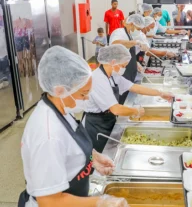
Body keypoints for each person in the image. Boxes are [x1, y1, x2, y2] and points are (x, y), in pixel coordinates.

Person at [19, 46, 129, 207]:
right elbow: (49, 201)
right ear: (60, 90)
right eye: (83, 94)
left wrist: (92, 159)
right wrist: (102, 202)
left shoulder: (59, 108)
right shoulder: (48, 135)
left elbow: (69, 145)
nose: (86, 99)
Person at [83, 45, 173, 153]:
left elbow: (134, 87)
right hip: (97, 125)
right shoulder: (98, 79)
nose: (123, 69)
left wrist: (160, 93)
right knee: (100, 154)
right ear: (113, 62)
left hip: (108, 119)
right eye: (122, 65)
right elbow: (116, 109)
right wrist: (135, 111)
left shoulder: (112, 75)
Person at [109, 14, 149, 103]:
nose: (139, 31)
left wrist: (135, 62)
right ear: (131, 24)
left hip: (130, 73)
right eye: (138, 29)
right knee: (120, 98)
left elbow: (127, 53)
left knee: (127, 97)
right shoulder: (119, 32)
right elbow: (115, 43)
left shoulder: (130, 35)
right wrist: (135, 42)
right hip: (121, 73)